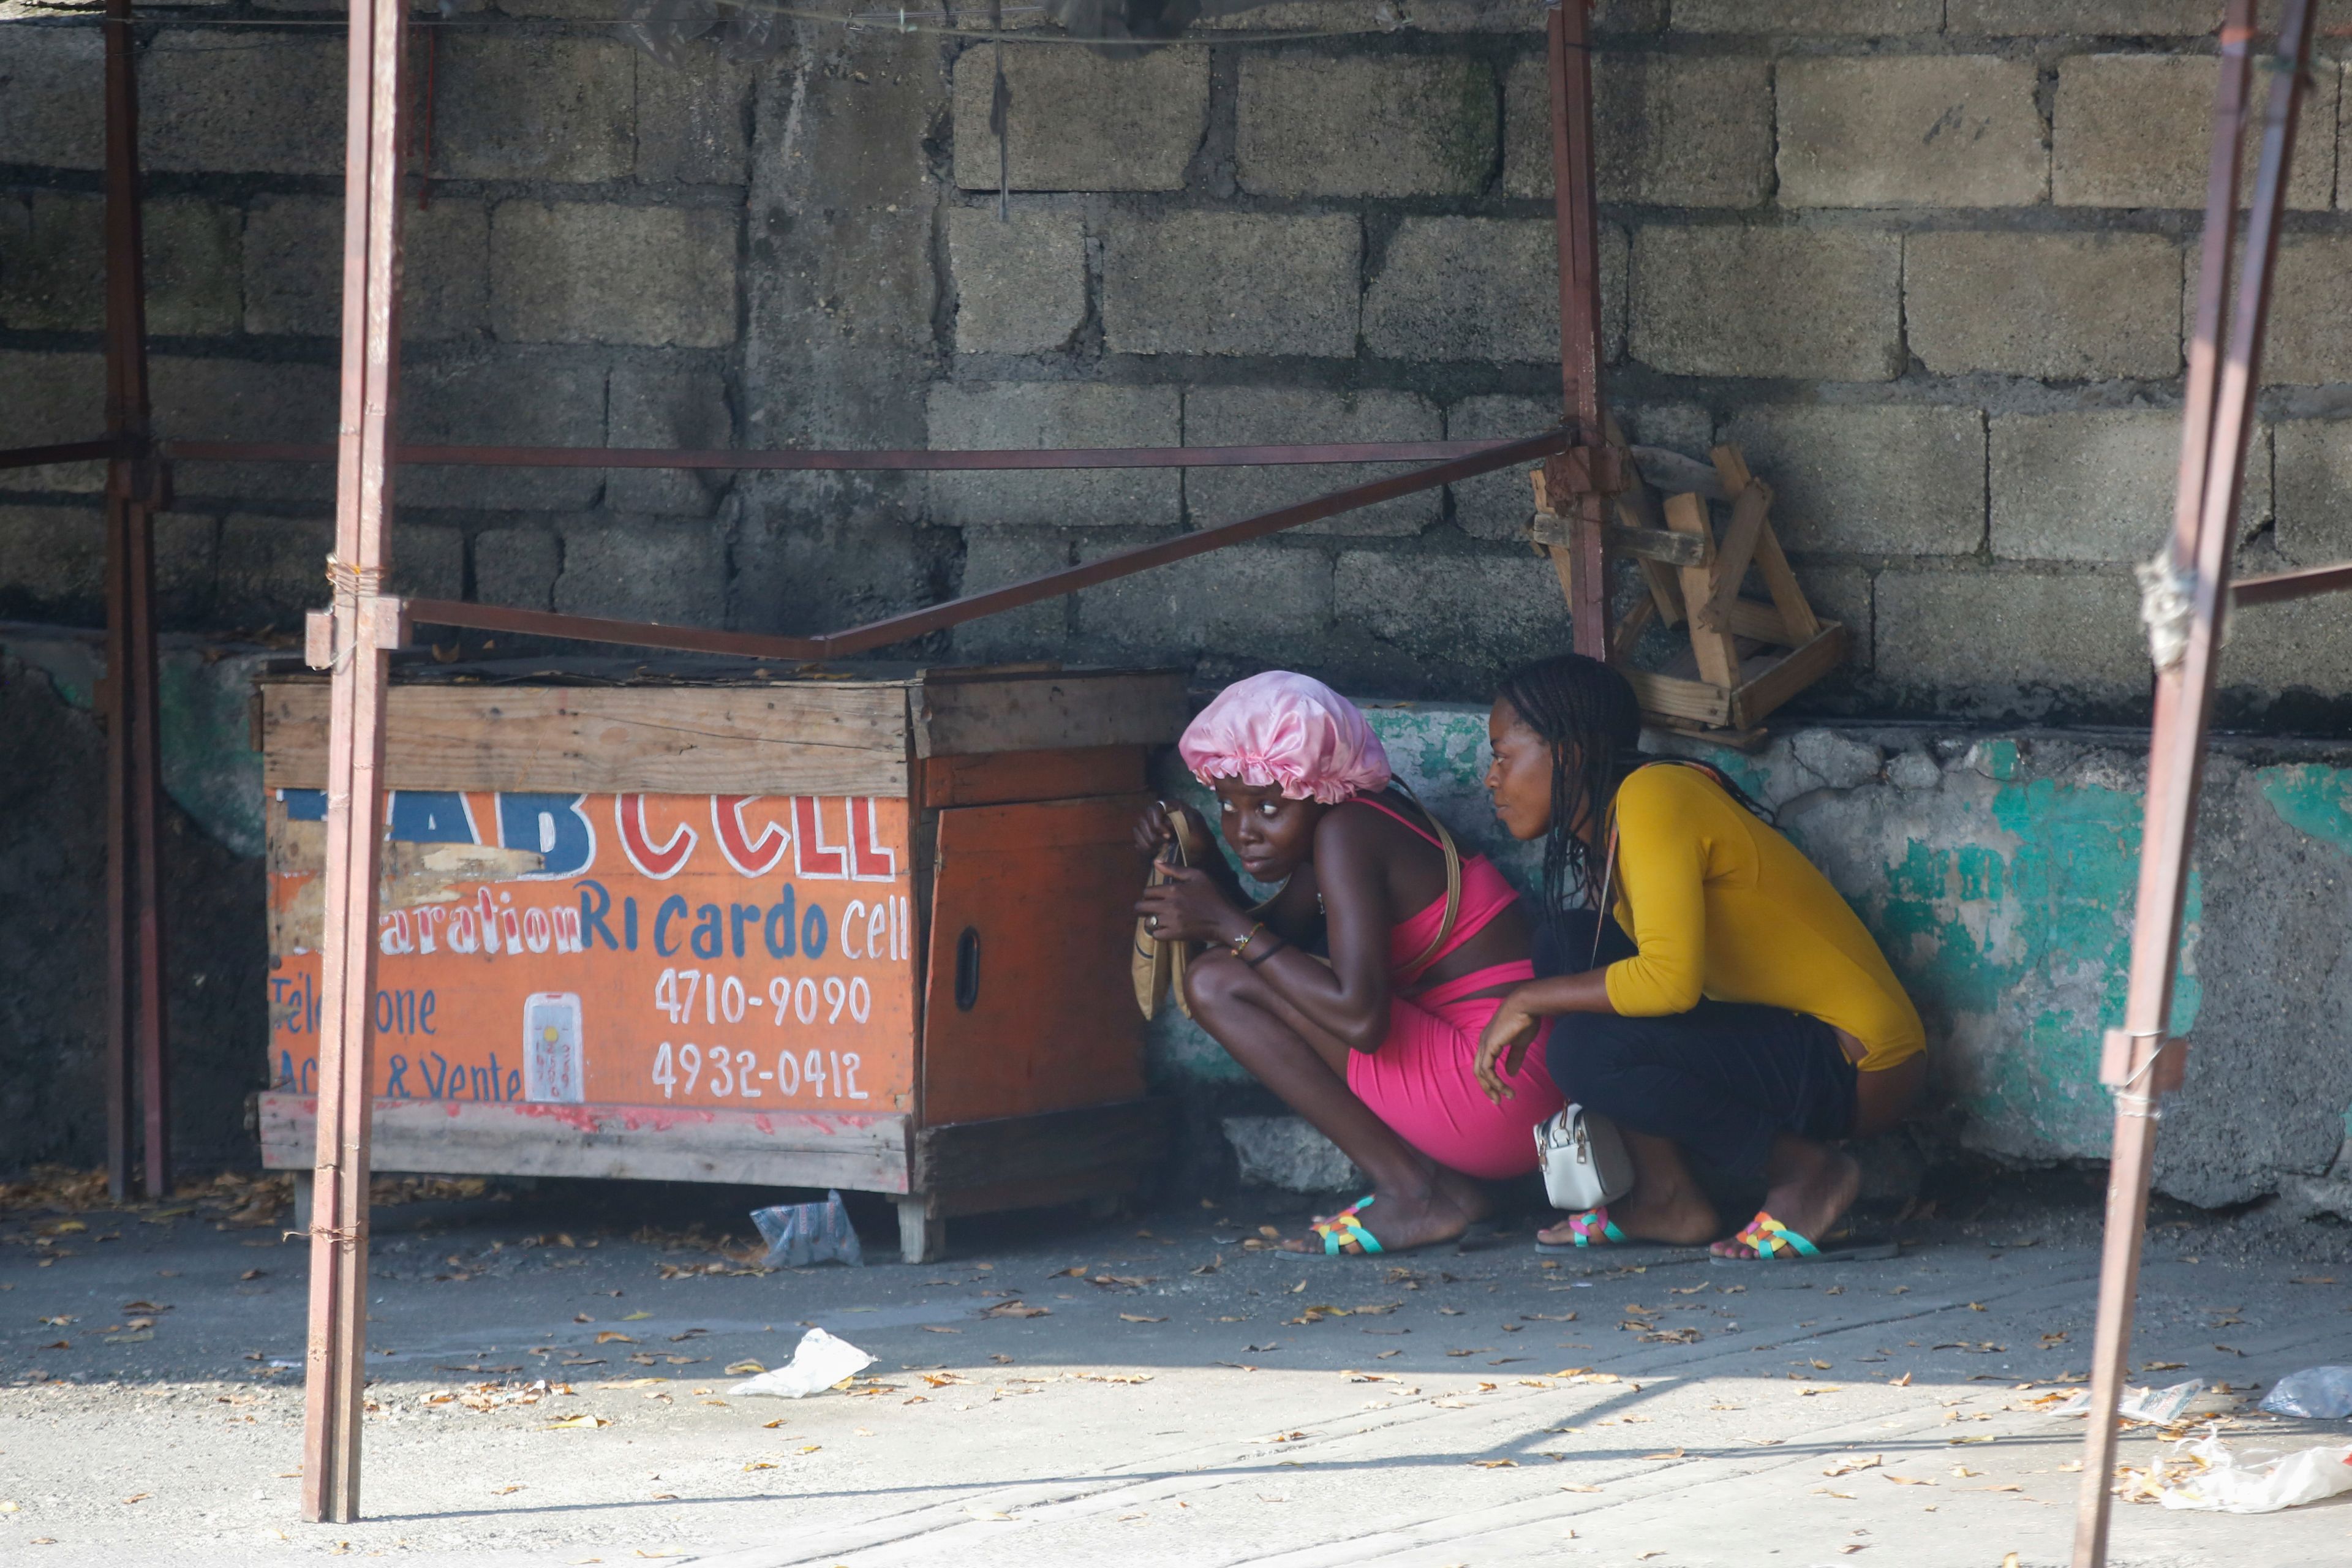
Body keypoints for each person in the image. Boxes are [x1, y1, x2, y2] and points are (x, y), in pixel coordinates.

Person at [1472, 654, 1927, 1262]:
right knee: (1568, 944)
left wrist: (1525, 999)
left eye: (1504, 754)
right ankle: (1668, 1197)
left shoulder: (1654, 797)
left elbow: (1669, 984)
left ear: (1571, 751)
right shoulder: (1612, 829)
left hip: (1858, 1058)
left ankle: (1806, 1172)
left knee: (1583, 1046)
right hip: (1790, 1041)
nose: (1491, 778)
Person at [1134, 671, 1563, 1256]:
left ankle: (1414, 1192)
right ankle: (1440, 1191)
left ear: (1317, 787)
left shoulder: (1346, 833)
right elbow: (1272, 943)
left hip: (1498, 1082)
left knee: (1213, 981)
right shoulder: (1345, 818)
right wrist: (1205, 861)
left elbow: (1361, 1020)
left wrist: (1225, 923)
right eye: (1228, 807)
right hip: (1519, 1076)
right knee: (1232, 969)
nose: (1246, 832)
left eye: (1266, 806)